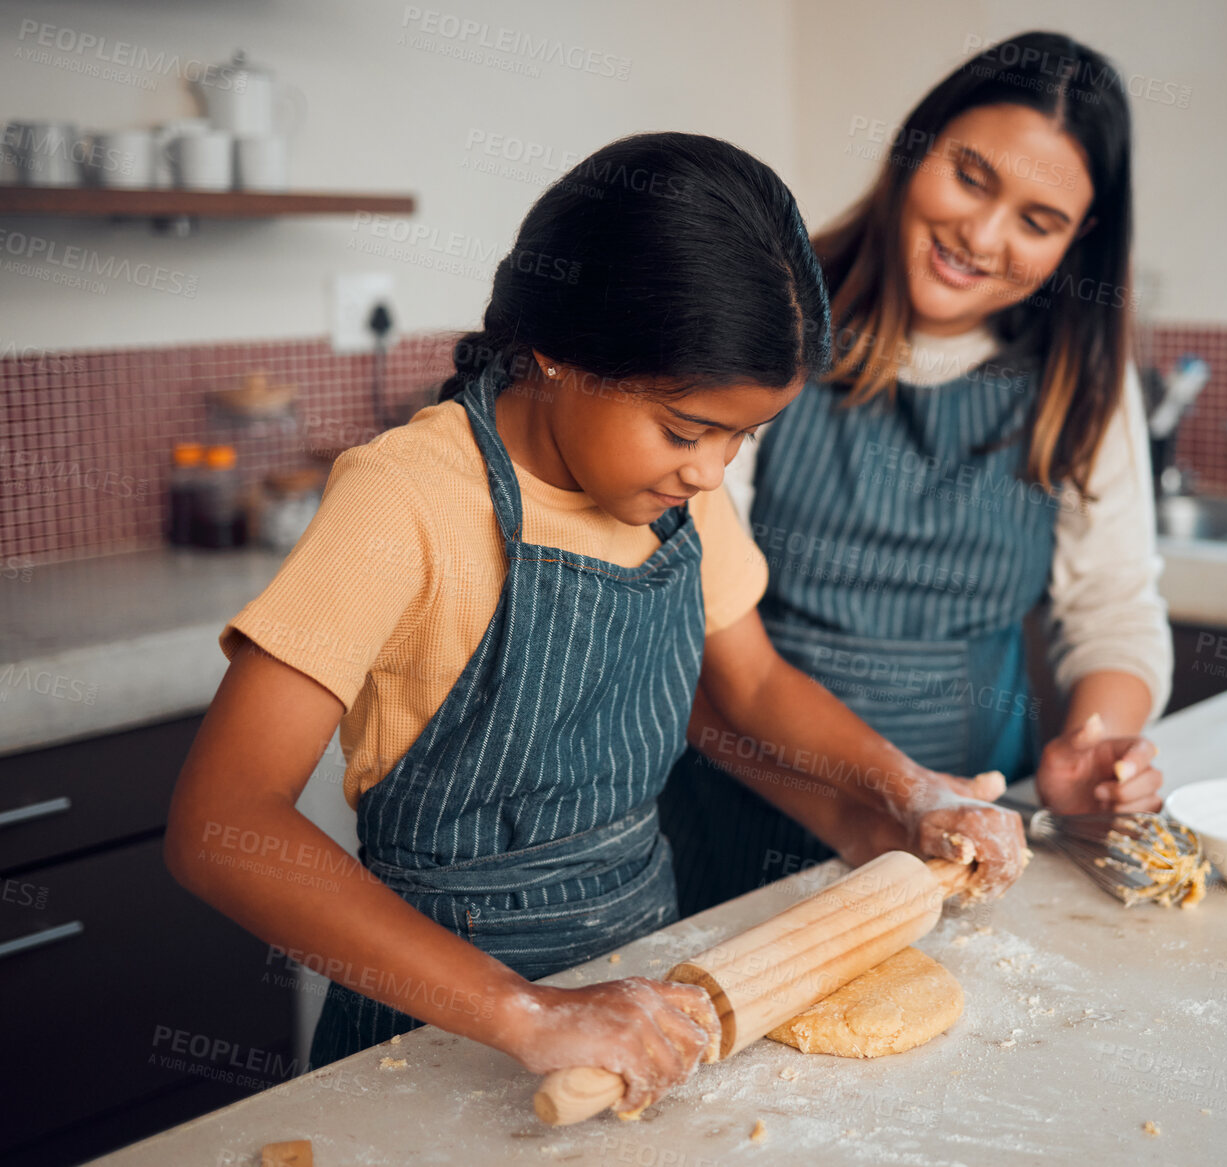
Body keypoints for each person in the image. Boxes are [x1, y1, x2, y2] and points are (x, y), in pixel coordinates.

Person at [164, 132, 1025, 1114]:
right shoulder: (404, 500)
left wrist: (908, 792)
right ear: (559, 353)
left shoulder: (676, 494)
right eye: (686, 429)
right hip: (432, 1035)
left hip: (641, 999)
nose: (712, 471)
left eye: (744, 436)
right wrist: (529, 1015)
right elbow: (221, 822)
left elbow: (751, 685)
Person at [661, 32, 1173, 916]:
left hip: (972, 831)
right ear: (916, 143)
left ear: (1078, 238)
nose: (981, 235)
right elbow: (697, 614)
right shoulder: (776, 308)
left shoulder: (1080, 379)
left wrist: (1097, 743)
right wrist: (882, 800)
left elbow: (1113, 605)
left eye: (1037, 221)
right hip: (747, 805)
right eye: (970, 177)